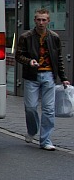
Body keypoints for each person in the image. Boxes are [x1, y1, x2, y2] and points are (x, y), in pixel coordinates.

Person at [16, 9, 70, 151]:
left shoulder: (54, 37)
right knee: (31, 107)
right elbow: (18, 55)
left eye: (44, 20)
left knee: (48, 109)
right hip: (31, 76)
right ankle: (32, 131)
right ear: (34, 20)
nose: (41, 22)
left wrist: (63, 78)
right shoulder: (26, 37)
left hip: (49, 76)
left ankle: (45, 140)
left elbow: (58, 58)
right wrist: (29, 62)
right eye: (38, 20)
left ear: (48, 21)